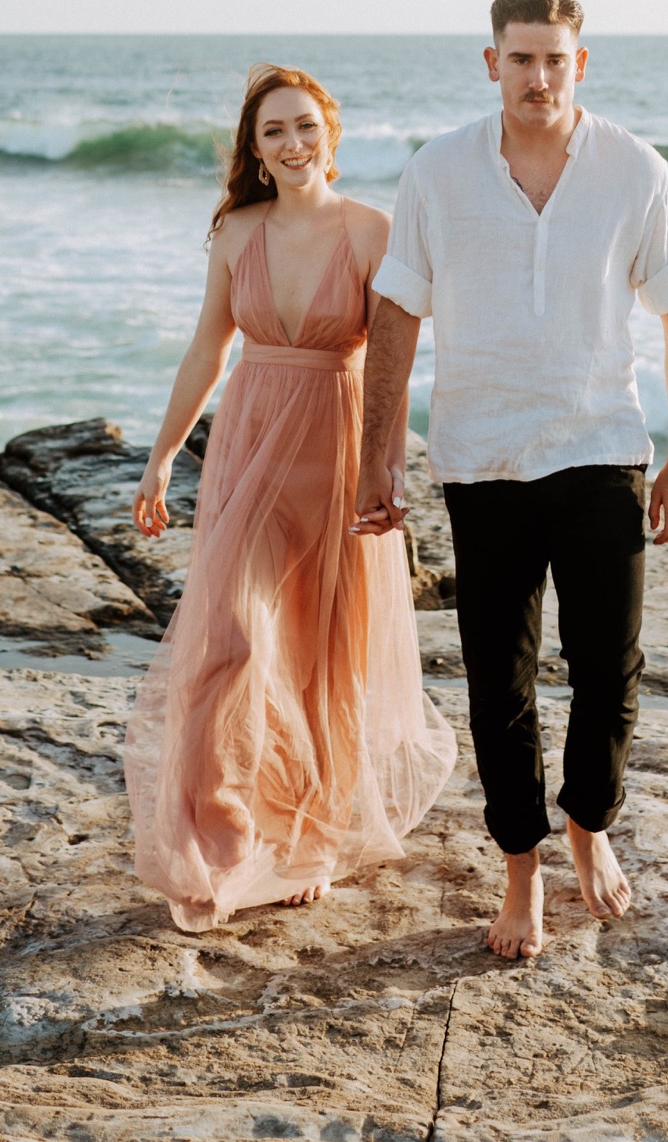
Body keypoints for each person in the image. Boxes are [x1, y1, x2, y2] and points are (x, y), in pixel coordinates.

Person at [354, 0, 668, 961]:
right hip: (481, 459)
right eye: (521, 57)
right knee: (497, 682)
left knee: (609, 668)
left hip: (602, 451)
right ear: (491, 62)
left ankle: (589, 822)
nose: (539, 75)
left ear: (580, 64)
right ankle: (523, 867)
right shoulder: (439, 172)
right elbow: (395, 313)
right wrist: (380, 451)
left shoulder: (634, 169)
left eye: (556, 58)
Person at [125, 62, 455, 930]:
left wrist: (387, 467)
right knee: (230, 627)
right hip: (250, 443)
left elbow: (395, 364)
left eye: (306, 126)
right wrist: (162, 456)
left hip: (337, 446)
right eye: (274, 131)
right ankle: (223, 818)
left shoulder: (376, 232)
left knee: (322, 652)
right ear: (257, 150)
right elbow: (207, 351)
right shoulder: (237, 232)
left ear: (331, 136)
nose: (293, 143)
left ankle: (308, 837)